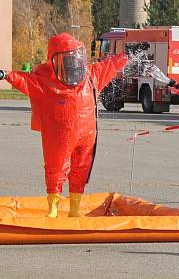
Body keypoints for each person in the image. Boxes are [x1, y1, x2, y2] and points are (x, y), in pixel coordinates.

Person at [0, 33, 128, 217]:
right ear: (54, 61)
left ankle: (74, 209)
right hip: (59, 136)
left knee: (81, 170)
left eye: (75, 59)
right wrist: (7, 75)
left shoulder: (91, 76)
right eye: (67, 60)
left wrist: (127, 55)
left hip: (86, 135)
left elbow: (110, 65)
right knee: (55, 169)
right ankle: (53, 208)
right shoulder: (45, 81)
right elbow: (24, 80)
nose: (73, 65)